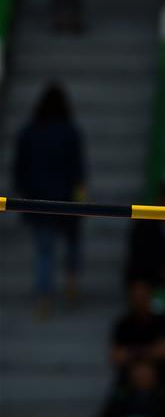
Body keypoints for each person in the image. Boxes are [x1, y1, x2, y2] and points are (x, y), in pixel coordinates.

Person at [12, 82, 86, 317]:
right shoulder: (69, 131)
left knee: (45, 251)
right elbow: (78, 168)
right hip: (66, 199)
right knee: (71, 242)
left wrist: (23, 193)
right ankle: (71, 282)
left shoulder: (29, 131)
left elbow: (19, 168)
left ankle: (44, 297)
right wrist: (81, 195)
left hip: (39, 200)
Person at [110, 280, 165, 386]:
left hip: (159, 371)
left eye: (142, 297)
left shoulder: (162, 321)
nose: (139, 302)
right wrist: (149, 351)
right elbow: (116, 356)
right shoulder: (123, 324)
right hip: (130, 372)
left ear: (150, 297)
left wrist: (134, 353)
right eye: (135, 298)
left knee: (144, 372)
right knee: (140, 373)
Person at [100, 361, 165, 417]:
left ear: (155, 377)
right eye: (139, 375)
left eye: (145, 375)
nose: (142, 378)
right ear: (130, 377)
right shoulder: (120, 399)